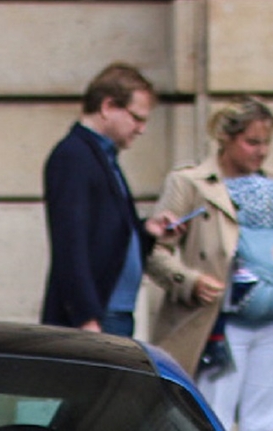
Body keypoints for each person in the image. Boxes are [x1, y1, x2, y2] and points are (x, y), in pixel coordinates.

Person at [143, 97, 273, 431]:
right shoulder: (189, 183)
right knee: (209, 425)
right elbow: (154, 250)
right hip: (216, 324)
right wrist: (188, 281)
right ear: (226, 138)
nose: (261, 151)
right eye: (252, 142)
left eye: (265, 142)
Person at [41, 63, 181, 336]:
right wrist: (86, 318)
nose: (141, 129)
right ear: (107, 107)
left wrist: (147, 231)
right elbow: (70, 243)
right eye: (137, 118)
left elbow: (107, 237)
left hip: (114, 311)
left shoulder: (102, 156)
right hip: (97, 316)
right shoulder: (74, 155)